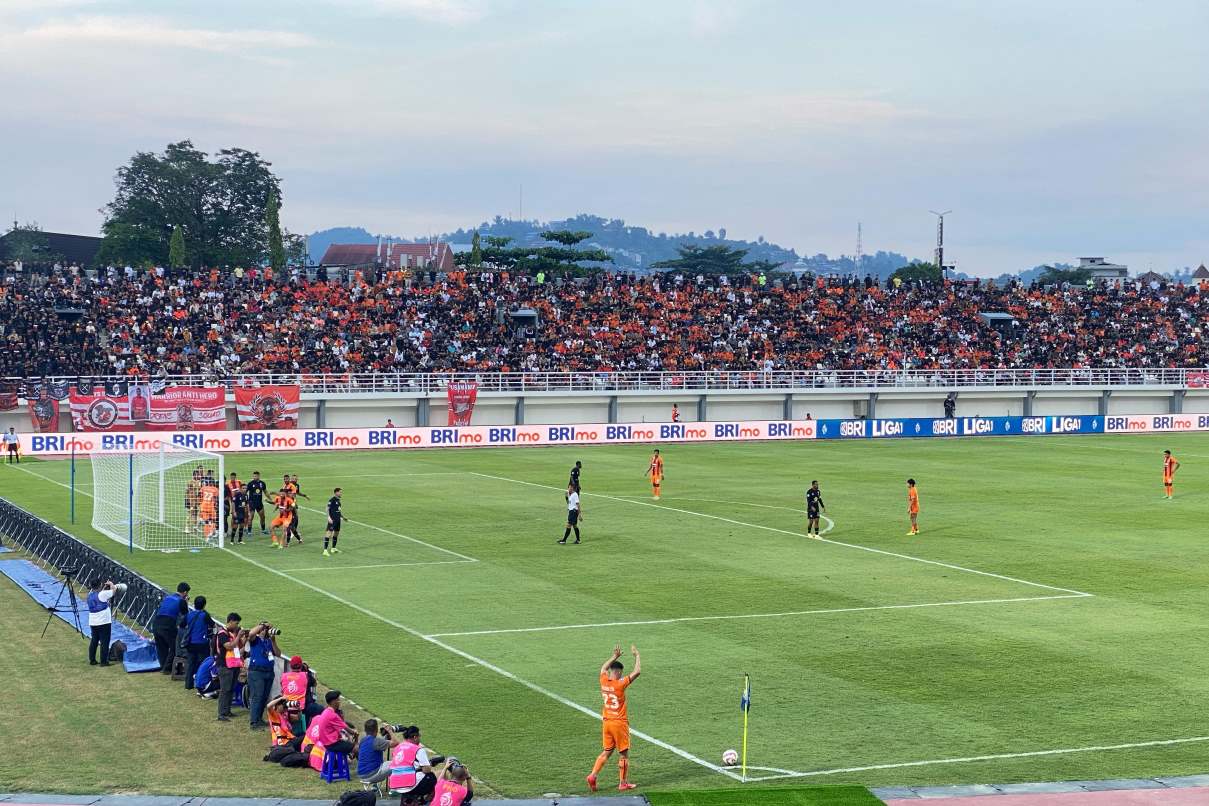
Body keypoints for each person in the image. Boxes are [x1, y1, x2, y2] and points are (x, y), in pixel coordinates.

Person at [587, 644, 641, 792]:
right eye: (621, 672)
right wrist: (637, 655)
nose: (621, 675)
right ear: (617, 672)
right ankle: (623, 783)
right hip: (619, 723)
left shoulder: (603, 681)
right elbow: (637, 672)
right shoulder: (620, 684)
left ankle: (593, 775)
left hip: (606, 723)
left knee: (607, 751)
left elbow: (603, 668)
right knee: (623, 753)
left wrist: (614, 657)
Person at [246, 621, 281, 730]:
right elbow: (251, 634)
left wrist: (273, 640)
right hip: (257, 672)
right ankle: (254, 722)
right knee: (257, 696)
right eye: (265, 629)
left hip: (268, 672)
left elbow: (278, 654)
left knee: (264, 697)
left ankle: (259, 719)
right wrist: (263, 625)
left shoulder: (269, 641)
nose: (267, 631)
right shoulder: (255, 639)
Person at [388, 725, 436, 802]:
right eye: (419, 736)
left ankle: (410, 800)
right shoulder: (418, 749)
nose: (420, 738)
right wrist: (429, 764)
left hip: (395, 785)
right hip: (409, 785)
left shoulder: (397, 748)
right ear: (414, 737)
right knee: (431, 777)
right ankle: (424, 801)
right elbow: (426, 770)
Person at [152, 582, 190, 674]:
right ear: (185, 592)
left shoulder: (168, 597)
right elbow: (186, 616)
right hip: (167, 625)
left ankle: (163, 666)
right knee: (174, 647)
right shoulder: (181, 601)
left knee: (161, 646)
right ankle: (167, 668)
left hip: (156, 623)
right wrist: (186, 603)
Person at [213, 612, 242, 721]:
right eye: (236, 623)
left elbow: (238, 647)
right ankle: (221, 714)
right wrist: (238, 636)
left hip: (233, 665)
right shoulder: (222, 633)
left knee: (231, 689)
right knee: (225, 689)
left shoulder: (232, 633)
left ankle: (227, 711)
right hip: (224, 666)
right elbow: (229, 646)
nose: (238, 625)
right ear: (230, 621)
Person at [357, 719, 400, 788]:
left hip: (361, 775)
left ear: (365, 730)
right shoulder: (376, 741)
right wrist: (390, 731)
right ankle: (394, 789)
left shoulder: (363, 740)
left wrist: (385, 738)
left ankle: (374, 787)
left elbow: (372, 748)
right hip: (372, 775)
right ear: (376, 729)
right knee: (397, 763)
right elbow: (396, 743)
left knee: (380, 764)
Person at [183, 594, 213, 690]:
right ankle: (201, 683)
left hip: (191, 643)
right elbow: (212, 625)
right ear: (204, 605)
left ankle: (188, 684)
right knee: (204, 663)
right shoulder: (204, 615)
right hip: (202, 643)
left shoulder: (189, 615)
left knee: (191, 663)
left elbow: (182, 625)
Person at [86, 579, 116, 667]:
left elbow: (99, 596)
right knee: (105, 642)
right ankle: (103, 661)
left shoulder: (89, 595)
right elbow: (114, 591)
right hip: (103, 622)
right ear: (99, 585)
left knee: (94, 641)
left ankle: (92, 660)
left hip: (93, 621)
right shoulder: (102, 594)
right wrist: (111, 584)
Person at [287, 474, 309, 544]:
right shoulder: (288, 485)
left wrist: (304, 496)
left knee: (296, 517)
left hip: (294, 503)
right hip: (289, 503)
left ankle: (293, 530)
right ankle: (290, 531)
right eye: (293, 478)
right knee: (290, 516)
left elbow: (297, 492)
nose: (294, 480)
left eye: (296, 479)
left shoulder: (297, 485)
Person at [246, 471, 268, 535]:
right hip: (252, 503)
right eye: (254, 476)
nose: (254, 477)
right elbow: (245, 492)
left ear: (259, 476)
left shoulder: (262, 483)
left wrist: (270, 498)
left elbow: (265, 491)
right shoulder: (250, 483)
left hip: (259, 503)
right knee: (251, 517)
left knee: (263, 517)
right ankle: (249, 531)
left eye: (256, 476)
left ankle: (263, 530)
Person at [323, 487, 343, 556]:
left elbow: (338, 511)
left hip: (338, 520)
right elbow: (327, 508)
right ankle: (325, 550)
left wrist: (343, 517)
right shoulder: (332, 500)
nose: (341, 493)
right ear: (336, 492)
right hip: (332, 520)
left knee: (336, 533)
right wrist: (328, 517)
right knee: (329, 534)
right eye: (340, 492)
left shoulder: (338, 500)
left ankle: (333, 548)